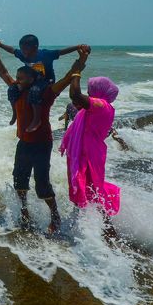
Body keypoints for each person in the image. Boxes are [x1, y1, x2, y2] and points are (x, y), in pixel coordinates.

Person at [0, 40, 89, 235]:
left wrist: (82, 58)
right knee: (19, 180)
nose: (17, 81)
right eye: (17, 78)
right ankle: (25, 212)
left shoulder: (46, 93)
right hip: (23, 143)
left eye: (21, 78)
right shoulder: (17, 91)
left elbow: (68, 77)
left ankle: (55, 215)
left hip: (42, 144)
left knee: (42, 184)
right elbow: (3, 73)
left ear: (33, 78)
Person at [59, 67, 123, 239]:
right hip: (87, 152)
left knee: (90, 188)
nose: (88, 93)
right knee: (87, 189)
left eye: (91, 90)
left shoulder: (102, 106)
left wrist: (76, 72)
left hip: (90, 154)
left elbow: (75, 96)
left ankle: (106, 230)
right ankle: (92, 229)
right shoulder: (99, 107)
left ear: (100, 91)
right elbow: (77, 101)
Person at [0, 35, 90, 132]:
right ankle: (14, 113)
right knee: (12, 89)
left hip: (47, 81)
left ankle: (37, 120)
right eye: (22, 49)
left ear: (35, 47)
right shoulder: (22, 54)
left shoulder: (46, 54)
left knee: (35, 90)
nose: (24, 53)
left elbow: (61, 52)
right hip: (33, 79)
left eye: (26, 49)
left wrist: (78, 47)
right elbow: (12, 50)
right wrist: (0, 45)